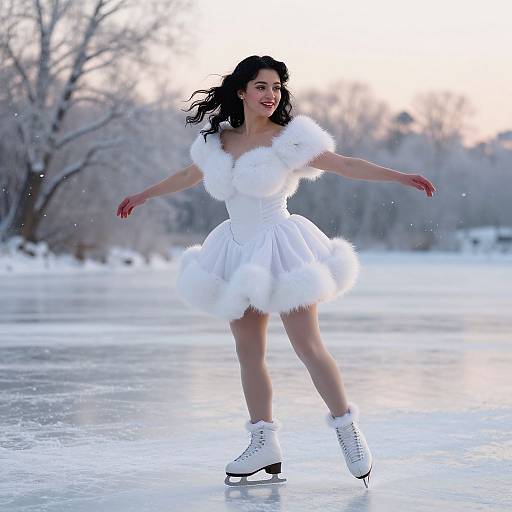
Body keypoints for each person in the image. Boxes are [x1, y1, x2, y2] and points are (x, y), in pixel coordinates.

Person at [116, 55, 436, 488]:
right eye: (262, 86)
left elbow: (343, 164)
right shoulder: (218, 141)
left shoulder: (289, 139)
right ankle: (263, 442)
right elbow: (189, 174)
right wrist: (143, 195)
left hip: (282, 247)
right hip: (235, 249)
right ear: (242, 91)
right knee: (248, 352)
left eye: (277, 87)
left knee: (308, 345)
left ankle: (348, 430)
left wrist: (399, 176)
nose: (272, 95)